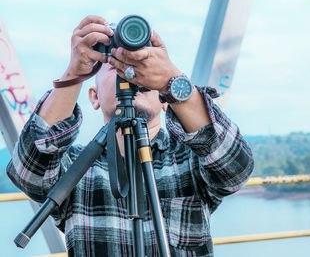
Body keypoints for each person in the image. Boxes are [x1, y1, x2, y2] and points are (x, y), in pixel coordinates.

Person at [7, 15, 254, 256]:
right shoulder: (75, 168)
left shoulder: (189, 160)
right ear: (94, 97)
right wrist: (74, 73)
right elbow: (27, 171)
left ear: (165, 100)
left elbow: (235, 168)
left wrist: (172, 81)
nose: (129, 72)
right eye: (115, 64)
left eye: (139, 65)